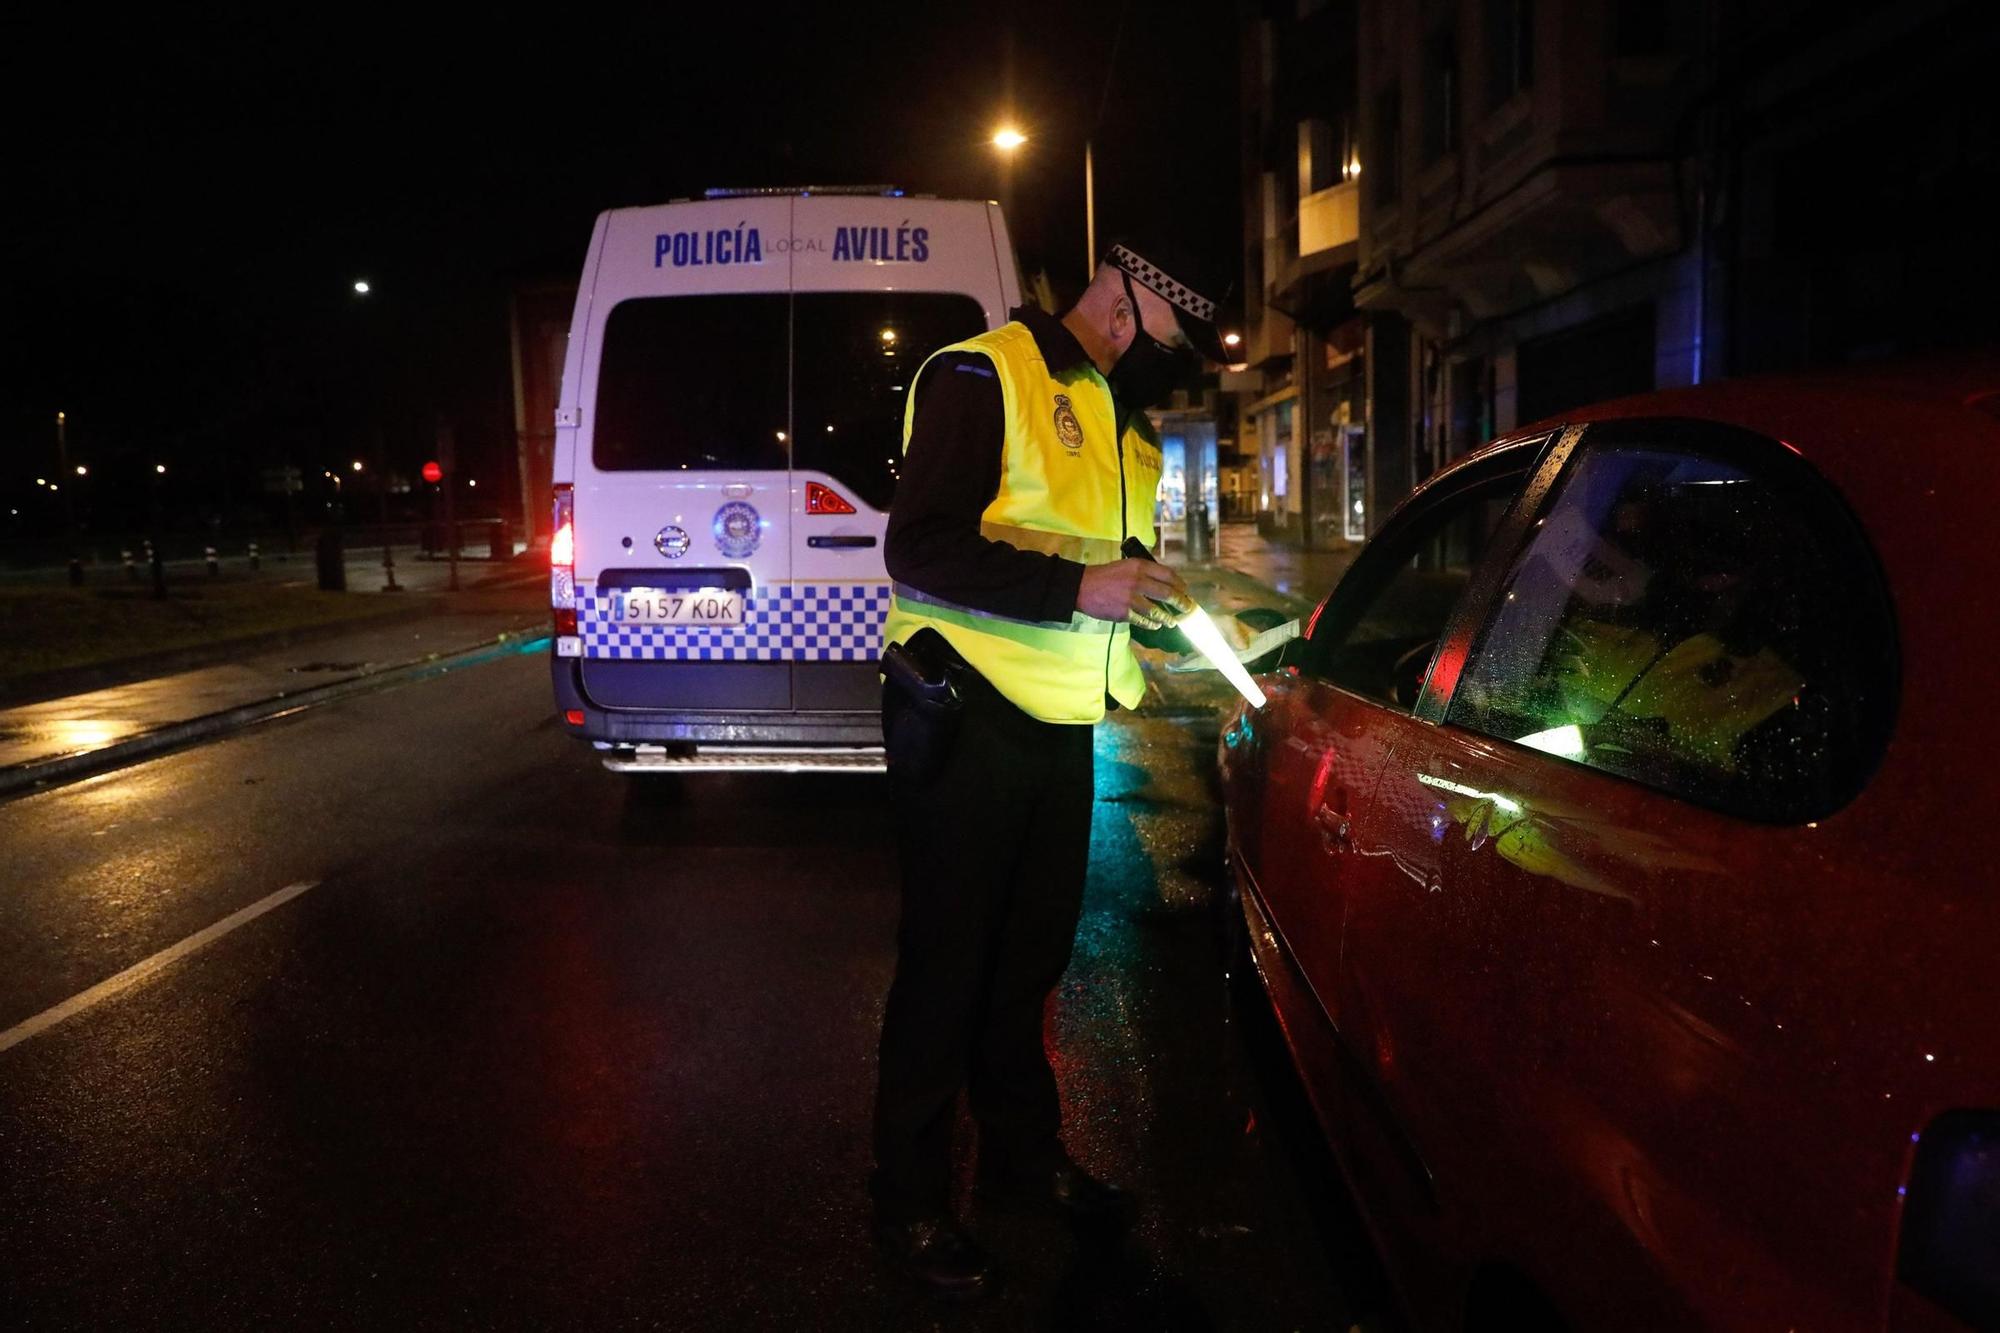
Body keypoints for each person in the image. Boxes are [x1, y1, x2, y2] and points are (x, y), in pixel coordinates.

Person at [869, 238, 1228, 1298]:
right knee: (945, 970)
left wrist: (1158, 612)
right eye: (1159, 343)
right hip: (966, 717)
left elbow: (1101, 576)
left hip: (1057, 724)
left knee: (1025, 964)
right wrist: (1082, 588)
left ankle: (1023, 1164)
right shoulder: (985, 373)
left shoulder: (1122, 426)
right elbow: (919, 547)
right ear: (1118, 299)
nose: (1155, 367)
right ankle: (908, 1201)